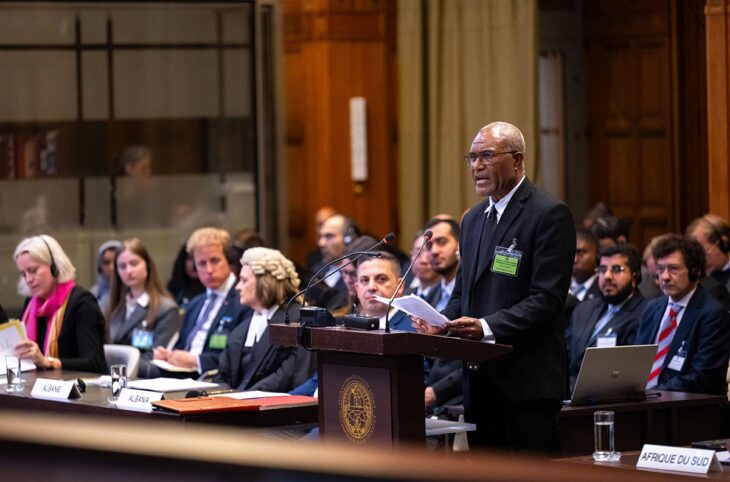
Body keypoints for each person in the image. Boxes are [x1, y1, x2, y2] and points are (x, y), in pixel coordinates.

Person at [412, 121, 575, 455]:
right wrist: (441, 323)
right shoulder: (473, 220)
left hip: (527, 384)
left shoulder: (549, 214)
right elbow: (464, 294)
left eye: (486, 155)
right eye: (471, 157)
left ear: (516, 160)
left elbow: (547, 300)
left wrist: (485, 327)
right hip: (480, 382)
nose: (476, 166)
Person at [635, 234, 730, 395]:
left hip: (689, 410)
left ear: (695, 271)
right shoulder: (652, 308)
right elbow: (635, 362)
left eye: (673, 269)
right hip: (644, 405)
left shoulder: (713, 314)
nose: (664, 277)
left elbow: (703, 378)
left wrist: (652, 394)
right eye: (660, 269)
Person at [152, 228, 250, 377]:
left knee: (146, 371)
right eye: (202, 264)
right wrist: (169, 355)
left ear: (228, 261)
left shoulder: (243, 301)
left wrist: (196, 361)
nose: (209, 270)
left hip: (212, 378)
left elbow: (239, 357)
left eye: (215, 260)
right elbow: (182, 346)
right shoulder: (194, 304)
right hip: (182, 374)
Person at [215, 247, 313, 392]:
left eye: (243, 280)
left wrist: (241, 398)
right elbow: (223, 376)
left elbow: (285, 377)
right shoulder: (242, 328)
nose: (238, 287)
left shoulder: (297, 321)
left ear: (264, 282)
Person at [8, 235, 106, 373]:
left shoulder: (82, 302)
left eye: (33, 270)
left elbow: (93, 363)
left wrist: (47, 361)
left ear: (55, 267)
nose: (28, 279)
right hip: (39, 386)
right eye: (24, 274)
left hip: (80, 389)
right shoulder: (31, 303)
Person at [566, 244, 647, 388]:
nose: (607, 276)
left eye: (617, 270)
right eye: (603, 270)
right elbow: (565, 355)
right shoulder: (583, 308)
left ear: (634, 277)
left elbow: (625, 370)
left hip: (608, 394)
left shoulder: (645, 313)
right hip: (568, 391)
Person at [106, 238, 181, 374]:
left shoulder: (166, 309)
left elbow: (155, 358)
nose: (128, 271)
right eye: (122, 266)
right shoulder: (112, 305)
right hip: (111, 378)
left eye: (134, 264)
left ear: (147, 265)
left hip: (142, 378)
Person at [422, 217, 463, 414]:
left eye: (442, 242)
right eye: (429, 245)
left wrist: (436, 392)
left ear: (460, 245)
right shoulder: (430, 296)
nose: (435, 251)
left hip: (457, 400)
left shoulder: (472, 295)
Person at [355, 251, 414, 331]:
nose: (371, 287)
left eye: (381, 279)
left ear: (399, 286)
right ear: (357, 289)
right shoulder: (348, 328)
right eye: (365, 280)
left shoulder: (415, 329)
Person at [686, 214, 730, 287]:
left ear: (724, 244)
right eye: (697, 254)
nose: (701, 259)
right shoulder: (696, 279)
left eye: (705, 252)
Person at [404, 230, 441, 305]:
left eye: (429, 253)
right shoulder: (404, 296)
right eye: (418, 252)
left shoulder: (449, 296)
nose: (423, 260)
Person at [166, 243, 205, 311]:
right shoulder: (174, 290)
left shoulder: (212, 291)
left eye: (198, 258)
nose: (194, 265)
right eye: (190, 258)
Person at [89, 240, 122, 311]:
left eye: (116, 261)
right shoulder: (94, 294)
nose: (112, 267)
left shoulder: (133, 292)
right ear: (100, 267)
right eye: (107, 263)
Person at [570, 228, 601, 302]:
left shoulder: (604, 289)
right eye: (570, 253)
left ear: (597, 255)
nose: (575, 260)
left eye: (580, 252)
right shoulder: (558, 286)